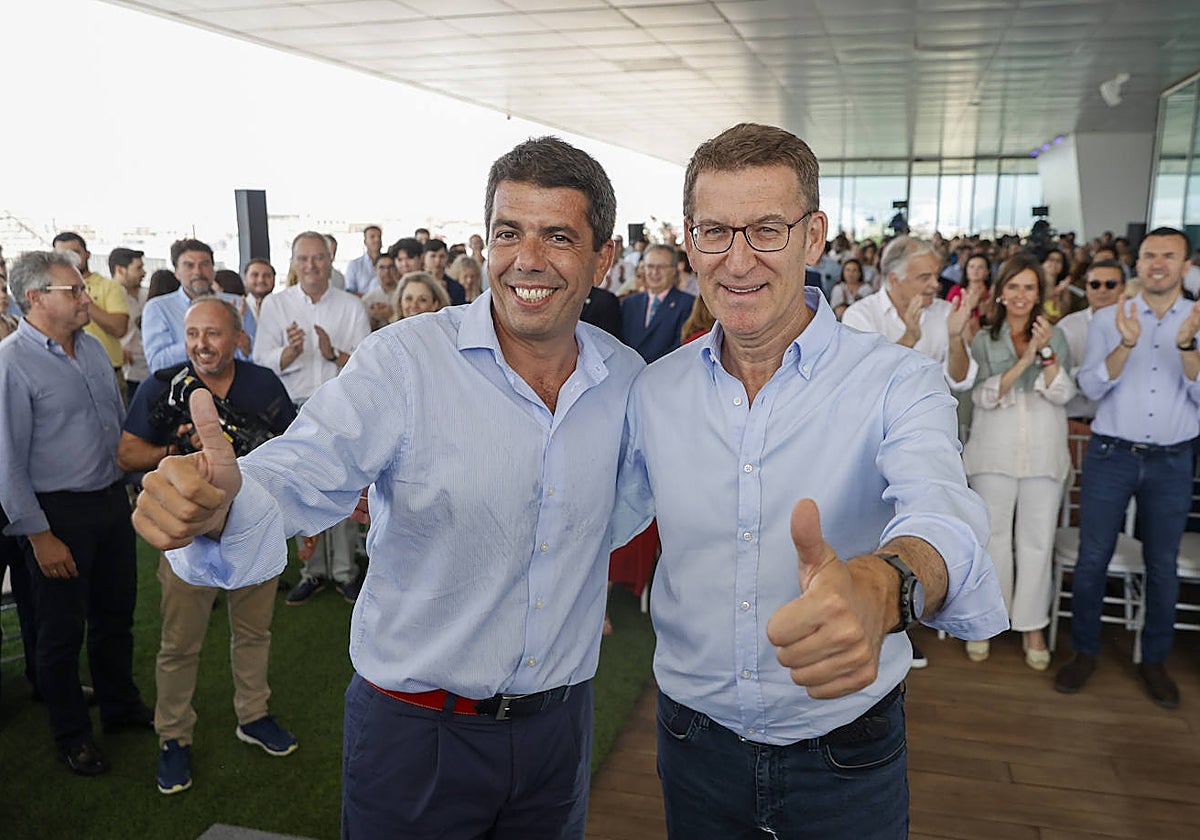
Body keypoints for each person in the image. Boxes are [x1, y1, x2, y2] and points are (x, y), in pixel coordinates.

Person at [131, 136, 647, 838]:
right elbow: (308, 466)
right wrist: (223, 506)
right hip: (417, 734)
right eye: (508, 233)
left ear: (603, 258)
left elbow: (628, 508)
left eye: (558, 236)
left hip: (559, 730)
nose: (527, 259)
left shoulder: (627, 379)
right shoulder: (406, 361)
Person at [621, 123, 1007, 839]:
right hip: (691, 746)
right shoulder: (655, 391)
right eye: (715, 231)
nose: (738, 260)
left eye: (767, 229)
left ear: (814, 235)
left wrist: (884, 585)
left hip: (844, 754)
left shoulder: (898, 382)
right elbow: (595, 515)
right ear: (690, 239)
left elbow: (943, 512)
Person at [117, 297, 298, 795]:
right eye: (192, 333)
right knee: (179, 643)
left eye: (213, 333)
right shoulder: (162, 386)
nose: (201, 343)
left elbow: (296, 450)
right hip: (187, 540)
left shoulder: (262, 382)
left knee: (254, 632)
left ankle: (253, 715)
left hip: (256, 532)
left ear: (238, 336)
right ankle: (173, 737)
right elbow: (128, 452)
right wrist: (176, 452)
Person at [0, 251, 153, 776]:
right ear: (35, 298)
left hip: (110, 503)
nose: (87, 298)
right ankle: (72, 734)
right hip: (56, 515)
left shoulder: (90, 350)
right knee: (60, 635)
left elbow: (112, 429)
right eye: (75, 291)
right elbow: (7, 463)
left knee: (115, 617)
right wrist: (39, 536)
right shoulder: (10, 362)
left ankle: (120, 707)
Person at [1055, 227, 1199, 709]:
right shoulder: (1111, 317)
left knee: (1162, 564)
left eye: (1169, 256)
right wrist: (1125, 345)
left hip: (1173, 460)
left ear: (1186, 264)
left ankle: (1153, 659)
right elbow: (1091, 388)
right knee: (1093, 559)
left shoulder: (1198, 319)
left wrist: (1186, 347)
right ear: (1137, 262)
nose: (1158, 264)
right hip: (1111, 454)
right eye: (1150, 255)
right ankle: (1084, 652)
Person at [961, 254, 1074, 669]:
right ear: (1001, 291)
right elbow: (983, 396)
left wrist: (1044, 354)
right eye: (1014, 287)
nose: (1021, 295)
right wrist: (1025, 361)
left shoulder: (1056, 335)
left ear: (1039, 293)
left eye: (1029, 287)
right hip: (994, 449)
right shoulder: (985, 338)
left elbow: (1062, 392)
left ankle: (1032, 625)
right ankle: (991, 619)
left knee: (1037, 541)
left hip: (1043, 448)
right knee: (993, 541)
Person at [252, 232, 371, 605]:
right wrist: (289, 353)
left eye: (318, 258)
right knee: (301, 493)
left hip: (340, 410)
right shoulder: (276, 305)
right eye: (303, 259)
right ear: (293, 262)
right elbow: (261, 362)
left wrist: (331, 352)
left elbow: (368, 368)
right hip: (294, 410)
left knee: (344, 491)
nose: (311, 266)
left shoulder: (351, 306)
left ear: (329, 260)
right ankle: (312, 571)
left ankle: (344, 571)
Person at [142, 239, 258, 373]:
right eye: (189, 265)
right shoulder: (158, 308)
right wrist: (200, 340)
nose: (198, 272)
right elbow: (158, 363)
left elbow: (257, 355)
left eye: (204, 264)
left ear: (213, 270)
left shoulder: (236, 303)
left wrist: (240, 339)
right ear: (176, 272)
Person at [1056, 259, 1126, 424]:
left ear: (1123, 288)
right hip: (1079, 421)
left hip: (1123, 425)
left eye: (1110, 284)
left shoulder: (1139, 325)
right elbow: (1057, 373)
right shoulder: (1068, 326)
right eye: (1095, 284)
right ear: (1086, 288)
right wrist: (1094, 376)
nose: (1102, 290)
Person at [52, 232, 129, 379]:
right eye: (62, 255)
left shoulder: (110, 286)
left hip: (107, 370)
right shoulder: (52, 291)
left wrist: (79, 295)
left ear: (87, 254)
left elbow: (119, 328)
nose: (70, 259)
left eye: (75, 253)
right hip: (65, 373)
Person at [620, 243, 694, 362]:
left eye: (662, 267)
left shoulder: (688, 304)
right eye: (650, 266)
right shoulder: (629, 304)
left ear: (674, 270)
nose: (654, 272)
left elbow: (681, 348)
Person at [110, 247, 148, 402]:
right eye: (138, 268)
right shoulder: (109, 298)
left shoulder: (148, 295)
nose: (144, 273)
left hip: (150, 368)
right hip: (127, 372)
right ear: (120, 270)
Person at [345, 225, 383, 297]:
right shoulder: (354, 265)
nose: (377, 240)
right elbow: (349, 291)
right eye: (372, 237)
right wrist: (370, 299)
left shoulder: (389, 263)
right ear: (365, 241)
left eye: (379, 237)